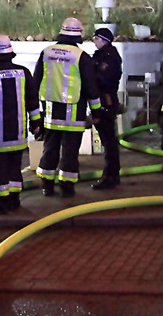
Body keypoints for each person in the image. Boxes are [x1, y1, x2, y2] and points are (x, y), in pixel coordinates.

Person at [33, 16, 102, 197]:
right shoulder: (82, 57)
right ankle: (67, 186)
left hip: (50, 112)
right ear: (78, 35)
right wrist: (96, 111)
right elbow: (91, 87)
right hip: (74, 113)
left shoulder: (46, 53)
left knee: (50, 148)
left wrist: (34, 113)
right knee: (70, 151)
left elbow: (36, 80)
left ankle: (46, 185)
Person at [0, 34, 41, 213]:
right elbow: (32, 101)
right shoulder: (24, 73)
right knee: (14, 168)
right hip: (18, 135)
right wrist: (36, 123)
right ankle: (14, 199)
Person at [90, 26, 123, 189]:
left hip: (106, 102)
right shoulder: (104, 56)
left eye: (96, 39)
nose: (94, 41)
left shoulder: (109, 58)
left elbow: (103, 80)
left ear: (104, 40)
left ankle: (111, 175)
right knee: (107, 140)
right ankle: (111, 174)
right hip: (103, 101)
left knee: (109, 140)